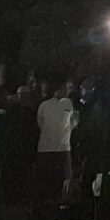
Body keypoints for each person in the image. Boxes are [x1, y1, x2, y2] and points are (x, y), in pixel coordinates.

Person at [34, 81, 77, 211]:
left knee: (63, 178)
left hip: (63, 146)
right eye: (66, 88)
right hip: (47, 147)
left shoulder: (68, 103)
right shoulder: (44, 105)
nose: (68, 90)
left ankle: (60, 204)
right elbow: (40, 123)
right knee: (48, 178)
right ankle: (47, 206)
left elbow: (71, 123)